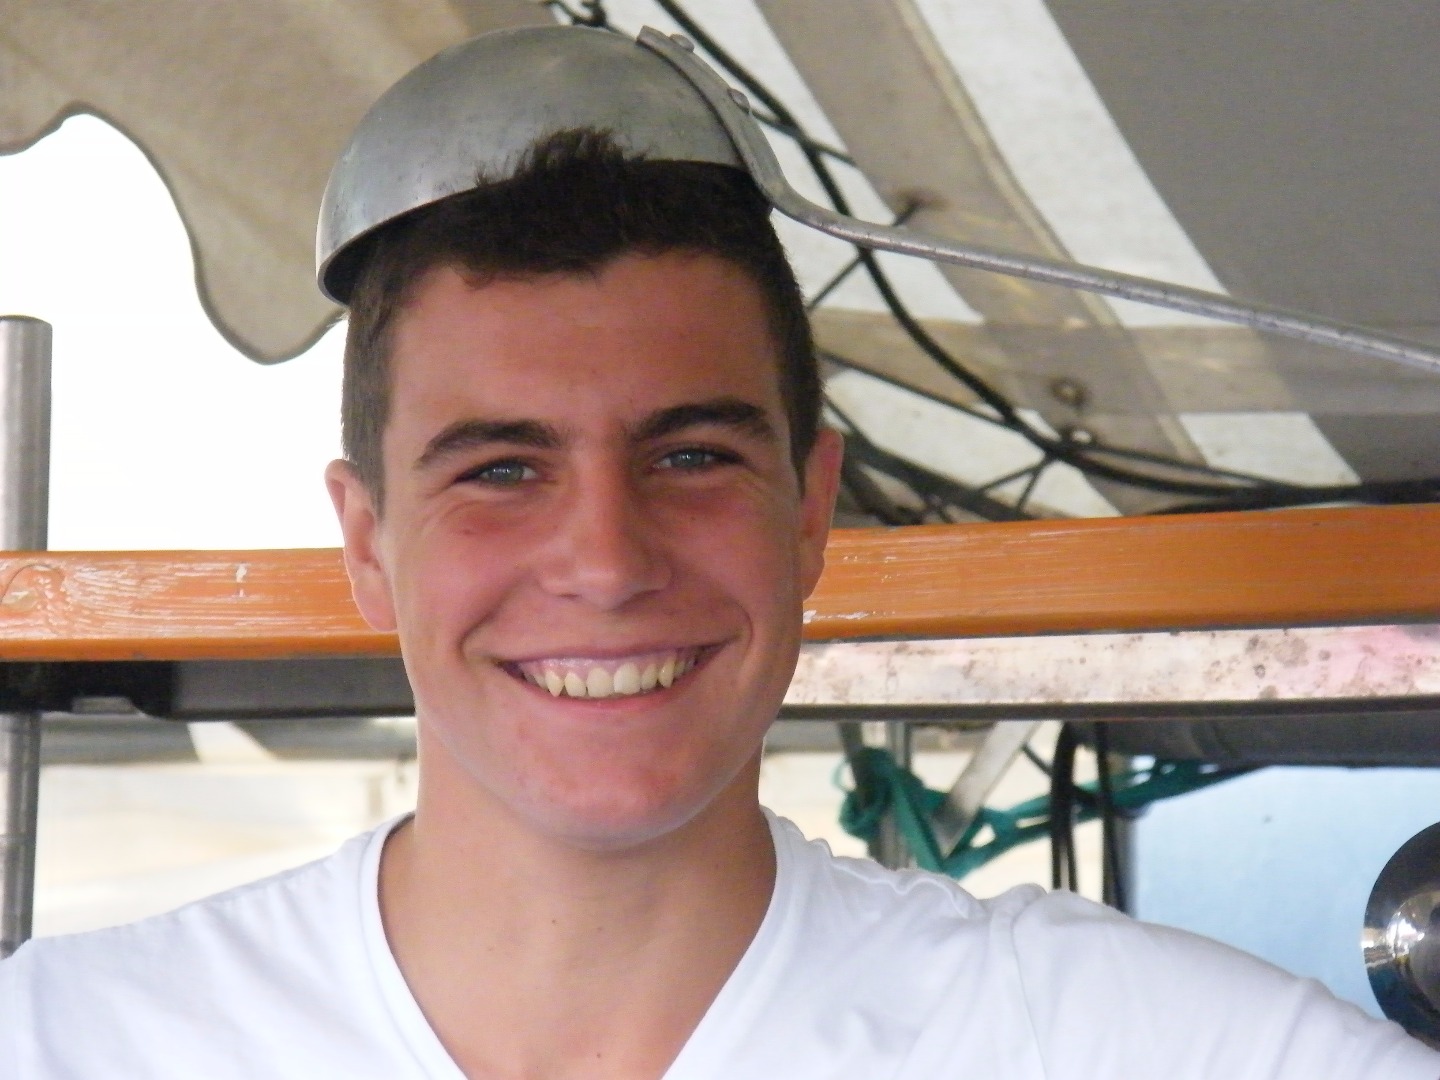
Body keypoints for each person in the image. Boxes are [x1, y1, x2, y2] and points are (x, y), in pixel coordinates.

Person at [3, 27, 1439, 1080]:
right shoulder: (71, 1042)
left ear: (810, 513)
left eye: (690, 456)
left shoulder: (1141, 1049)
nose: (606, 559)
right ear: (368, 544)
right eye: (501, 470)